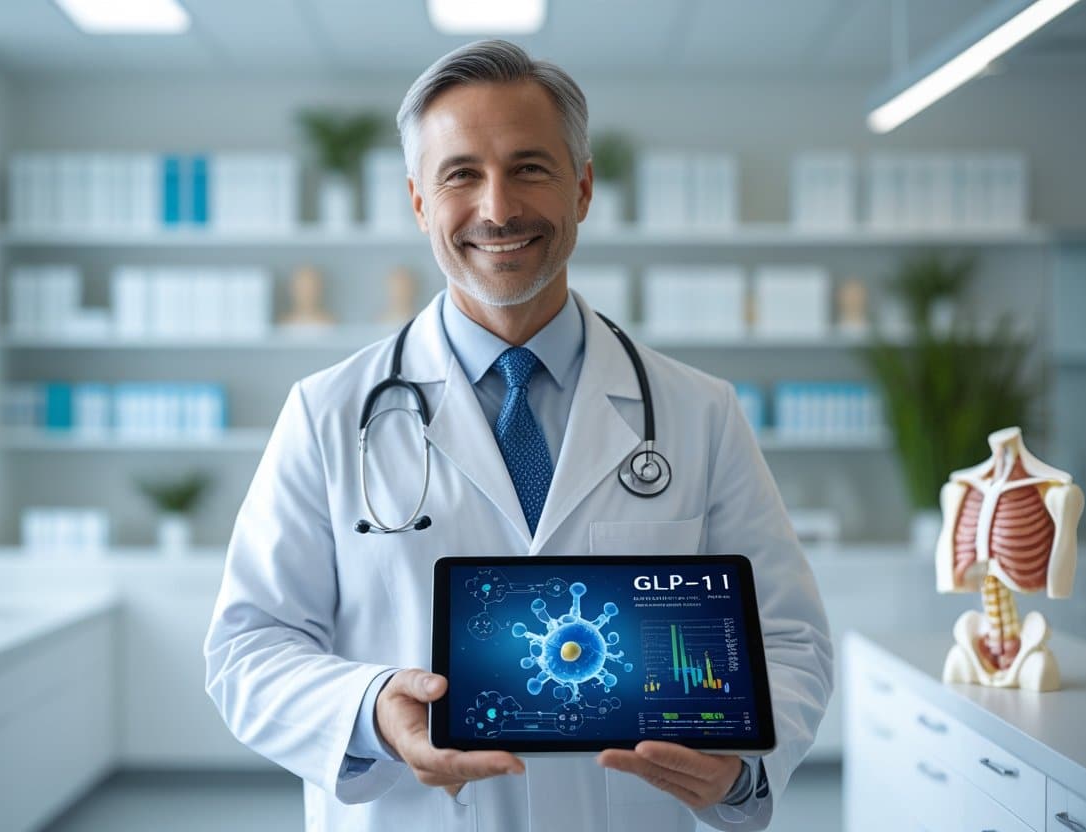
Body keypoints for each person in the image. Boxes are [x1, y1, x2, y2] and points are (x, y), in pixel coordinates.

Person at [204, 39, 832, 832]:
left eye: (530, 167)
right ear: (418, 202)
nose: (497, 208)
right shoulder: (328, 413)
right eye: (461, 173)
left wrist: (740, 769)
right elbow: (248, 649)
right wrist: (370, 710)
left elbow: (790, 639)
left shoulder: (698, 412)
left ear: (584, 186)